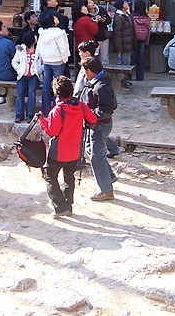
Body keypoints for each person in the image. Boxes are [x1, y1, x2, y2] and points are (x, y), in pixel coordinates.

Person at [39, 76, 96, 218]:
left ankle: (60, 207)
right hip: (75, 151)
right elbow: (93, 120)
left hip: (58, 152)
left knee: (50, 176)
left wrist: (42, 121)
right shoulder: (81, 105)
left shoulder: (57, 111)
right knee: (69, 176)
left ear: (57, 93)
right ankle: (68, 205)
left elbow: (52, 131)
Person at [79, 57, 118, 202]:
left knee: (97, 156)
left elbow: (107, 109)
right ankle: (109, 176)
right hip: (94, 124)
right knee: (91, 150)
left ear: (89, 70)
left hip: (100, 125)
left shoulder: (101, 86)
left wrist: (90, 115)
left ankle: (106, 190)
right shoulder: (97, 82)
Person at [37, 14, 71, 113]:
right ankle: (58, 109)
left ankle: (46, 109)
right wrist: (64, 59)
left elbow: (39, 48)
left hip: (46, 61)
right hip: (58, 61)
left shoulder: (43, 33)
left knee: (46, 85)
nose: (57, 18)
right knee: (59, 86)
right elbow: (64, 48)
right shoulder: (60, 33)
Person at [11, 30, 43, 123]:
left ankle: (30, 114)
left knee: (31, 93)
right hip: (22, 75)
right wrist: (19, 69)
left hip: (33, 75)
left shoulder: (39, 51)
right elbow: (14, 61)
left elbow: (43, 63)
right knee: (20, 94)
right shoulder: (21, 50)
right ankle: (19, 114)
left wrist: (39, 70)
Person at [111, 0, 135, 87]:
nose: (127, 4)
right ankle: (123, 81)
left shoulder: (128, 14)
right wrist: (119, 47)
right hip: (124, 43)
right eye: (124, 3)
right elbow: (117, 33)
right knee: (124, 63)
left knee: (127, 62)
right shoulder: (119, 17)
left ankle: (126, 79)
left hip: (128, 42)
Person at [87, 0, 112, 64]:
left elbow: (109, 20)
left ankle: (105, 73)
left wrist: (104, 20)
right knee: (94, 57)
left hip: (103, 36)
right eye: (89, 2)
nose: (92, 2)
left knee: (104, 57)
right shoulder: (87, 15)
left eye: (92, 1)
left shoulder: (100, 9)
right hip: (93, 38)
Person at [132, 0, 151, 81]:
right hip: (142, 40)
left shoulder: (133, 17)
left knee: (132, 58)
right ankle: (140, 77)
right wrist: (147, 40)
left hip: (133, 39)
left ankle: (129, 76)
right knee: (141, 59)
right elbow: (148, 31)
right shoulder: (147, 19)